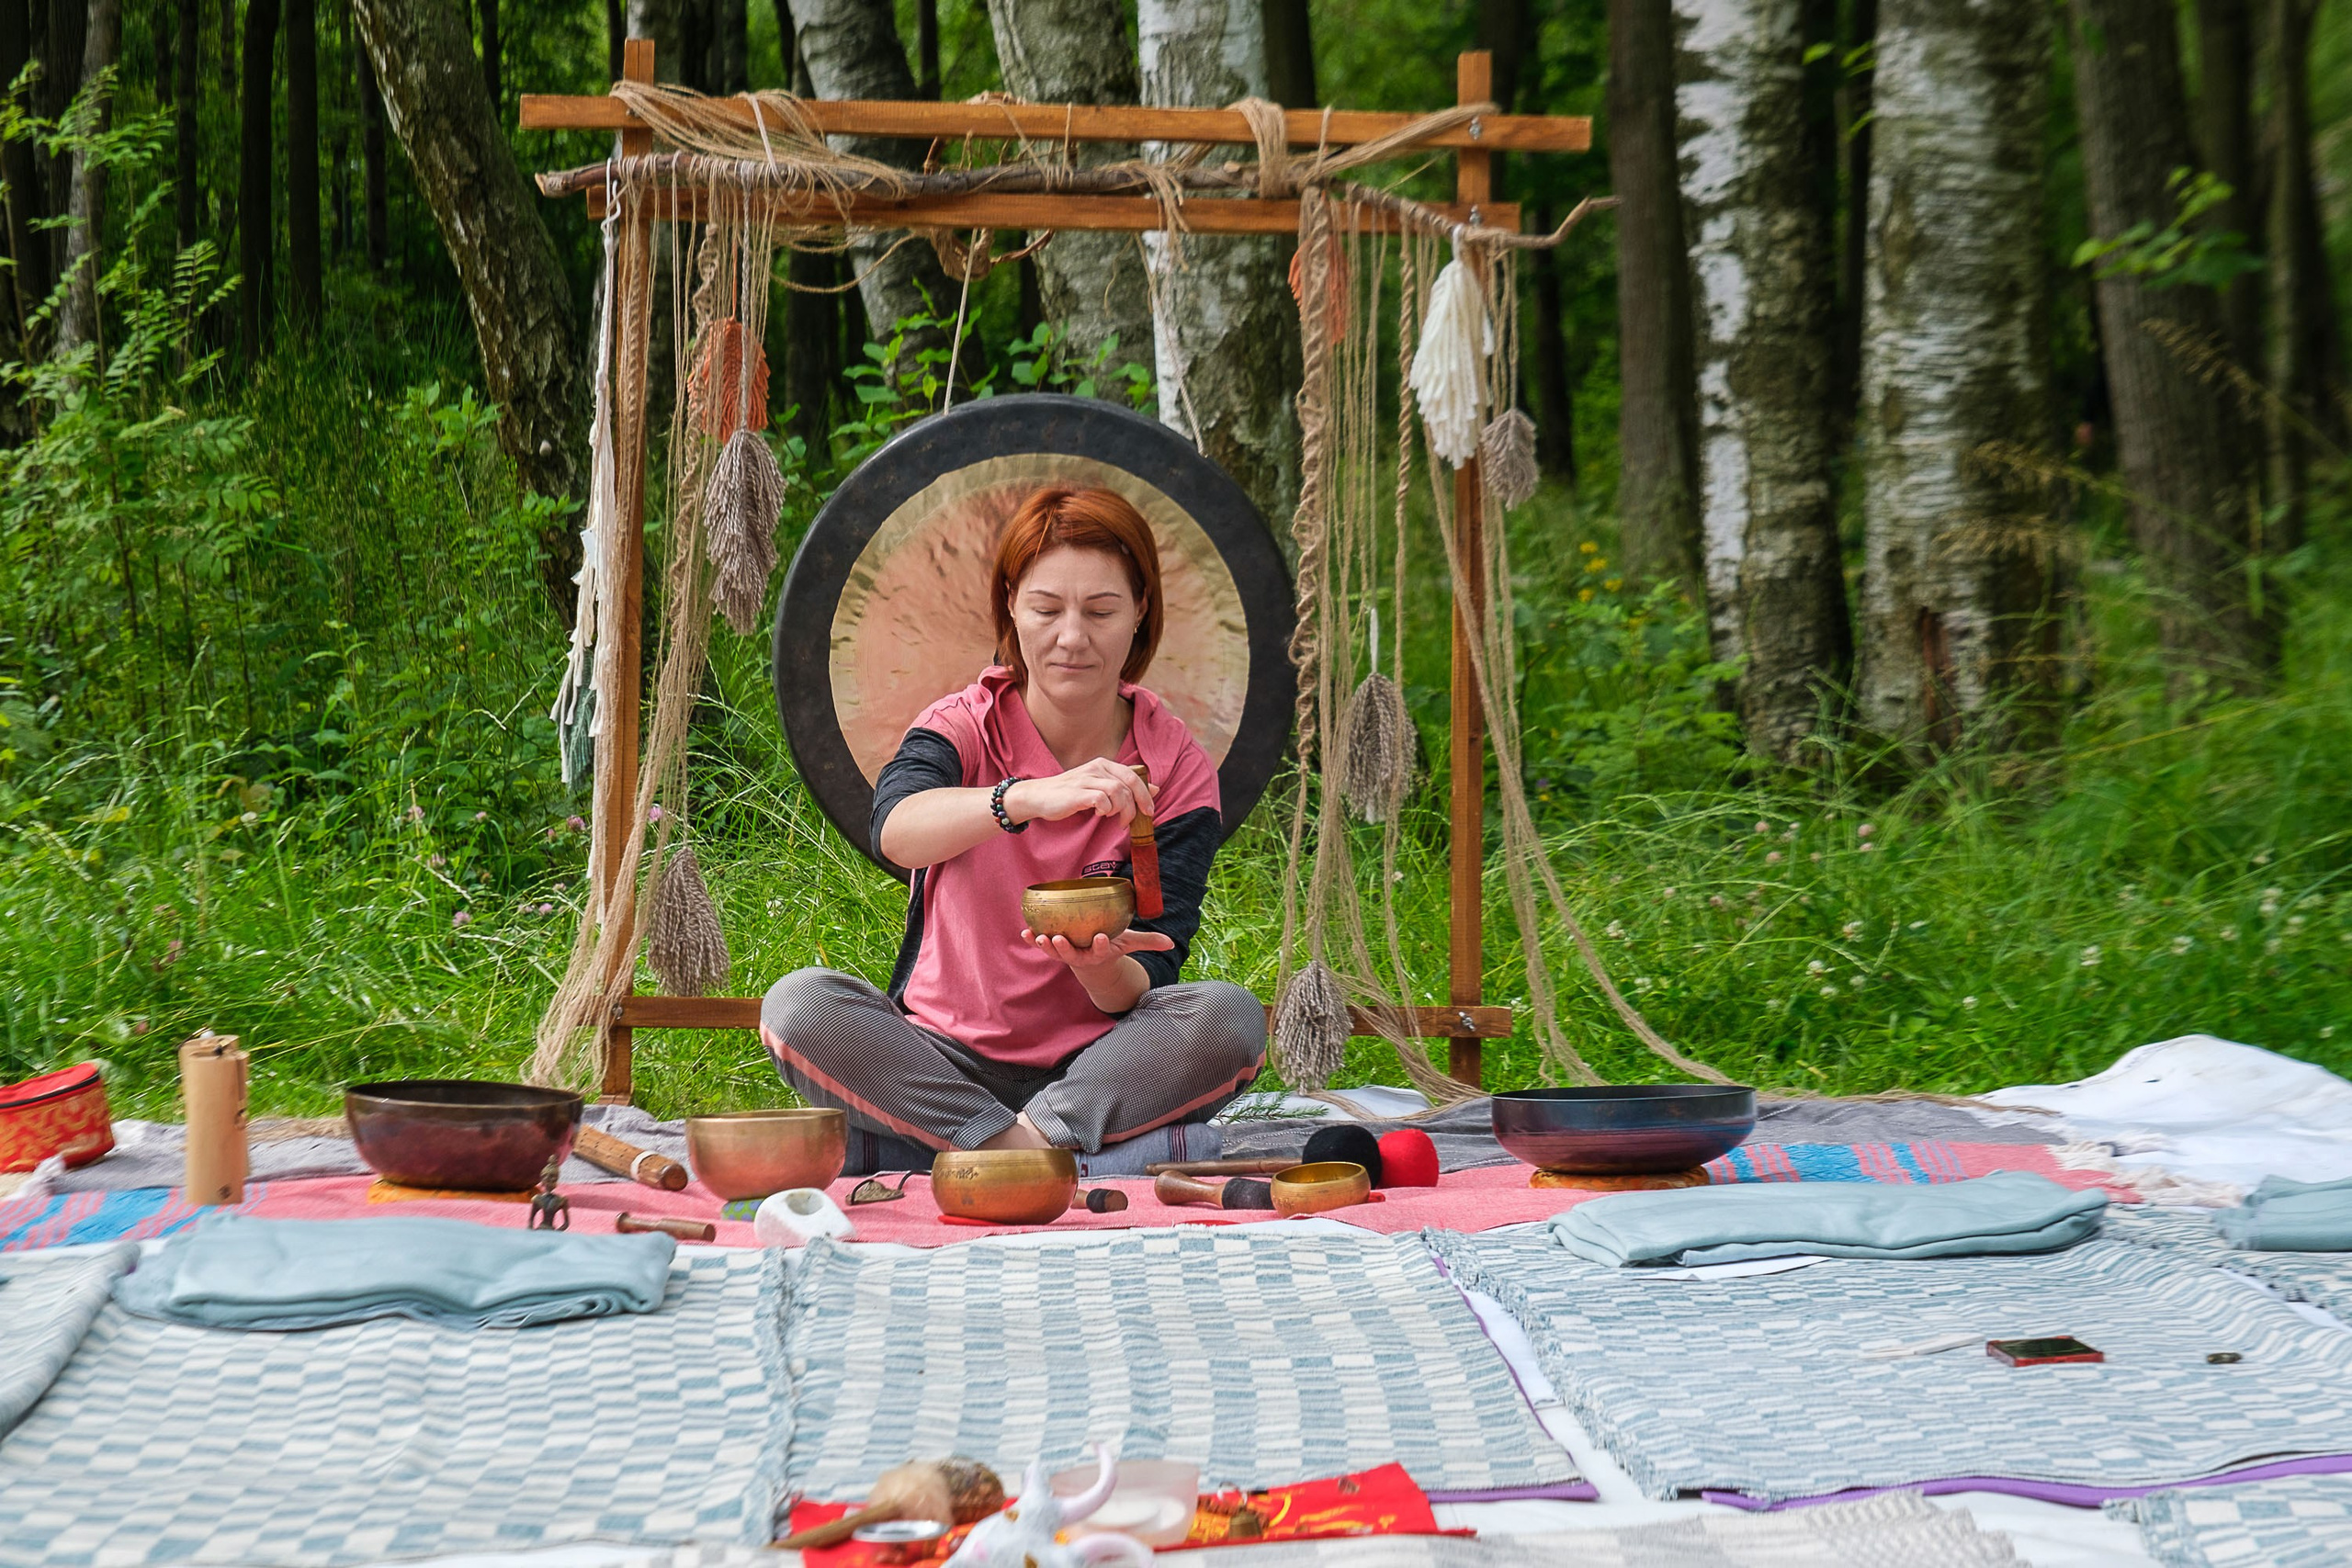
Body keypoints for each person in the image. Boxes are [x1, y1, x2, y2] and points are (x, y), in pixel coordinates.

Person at [761, 484, 1266, 1166]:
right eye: (1047, 608)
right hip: (942, 1060)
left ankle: (959, 1148)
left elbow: (1155, 966)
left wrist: (1101, 970)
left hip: (1095, 1069)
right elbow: (896, 828)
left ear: (1141, 611)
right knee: (799, 1007)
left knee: (1229, 1017)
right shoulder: (961, 726)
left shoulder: (1174, 764)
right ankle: (1051, 1154)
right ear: (1010, 605)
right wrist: (1022, 798)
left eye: (1101, 610)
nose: (1072, 637)